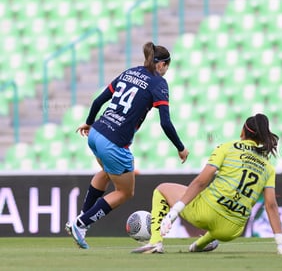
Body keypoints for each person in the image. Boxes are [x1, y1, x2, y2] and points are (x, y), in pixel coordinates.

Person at [65, 42, 189, 249]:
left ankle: (81, 220)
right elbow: (165, 122)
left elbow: (98, 101)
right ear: (163, 65)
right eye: (168, 66)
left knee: (106, 171)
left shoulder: (130, 72)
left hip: (96, 132)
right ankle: (81, 223)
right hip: (114, 142)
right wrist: (180, 147)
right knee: (124, 192)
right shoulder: (158, 83)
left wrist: (89, 122)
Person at [132, 114, 282, 255]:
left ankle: (155, 242)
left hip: (206, 213)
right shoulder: (268, 166)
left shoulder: (227, 147)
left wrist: (173, 212)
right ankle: (200, 245)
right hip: (232, 229)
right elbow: (271, 205)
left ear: (243, 131)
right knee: (219, 226)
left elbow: (201, 182)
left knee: (162, 189)